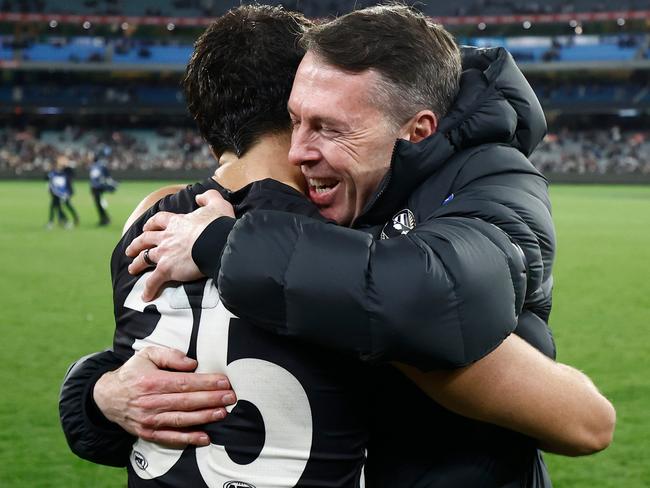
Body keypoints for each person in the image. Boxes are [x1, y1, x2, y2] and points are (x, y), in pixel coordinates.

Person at [60, 5, 615, 488]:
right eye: (297, 122)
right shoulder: (321, 240)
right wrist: (101, 394)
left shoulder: (468, 191)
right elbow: (587, 418)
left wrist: (223, 243)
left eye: (328, 127)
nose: (303, 152)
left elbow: (584, 421)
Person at [46, 156, 78, 229]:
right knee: (57, 206)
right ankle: (62, 220)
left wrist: (66, 165)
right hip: (58, 192)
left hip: (66, 192)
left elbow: (71, 174)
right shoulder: (57, 171)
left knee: (65, 205)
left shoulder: (67, 171)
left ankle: (69, 219)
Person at [89, 147, 118, 226]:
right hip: (96, 188)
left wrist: (112, 183)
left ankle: (104, 219)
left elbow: (106, 177)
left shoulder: (98, 166)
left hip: (98, 187)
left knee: (99, 205)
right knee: (99, 204)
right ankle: (105, 218)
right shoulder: (94, 166)